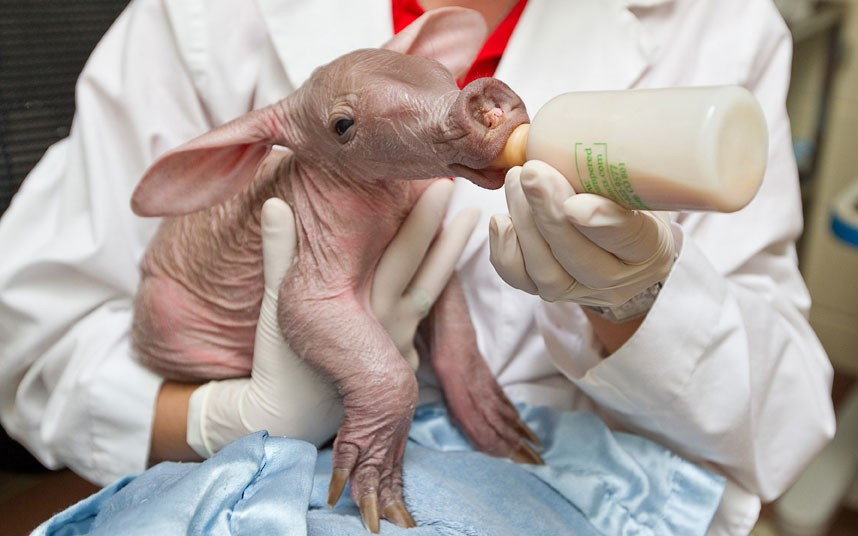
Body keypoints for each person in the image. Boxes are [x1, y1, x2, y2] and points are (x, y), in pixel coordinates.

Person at [0, 0, 835, 534]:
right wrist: (220, 418)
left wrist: (638, 301)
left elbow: (784, 420)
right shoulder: (204, 19)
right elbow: (32, 341)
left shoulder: (723, 23)